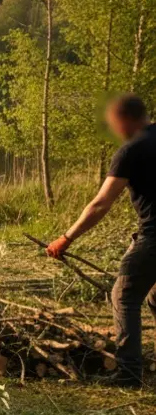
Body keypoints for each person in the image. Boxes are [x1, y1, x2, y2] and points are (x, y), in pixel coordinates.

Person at [48, 94, 156, 388]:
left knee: (125, 296)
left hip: (154, 238)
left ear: (125, 120)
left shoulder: (131, 151)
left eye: (114, 124)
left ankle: (129, 373)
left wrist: (66, 238)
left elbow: (100, 204)